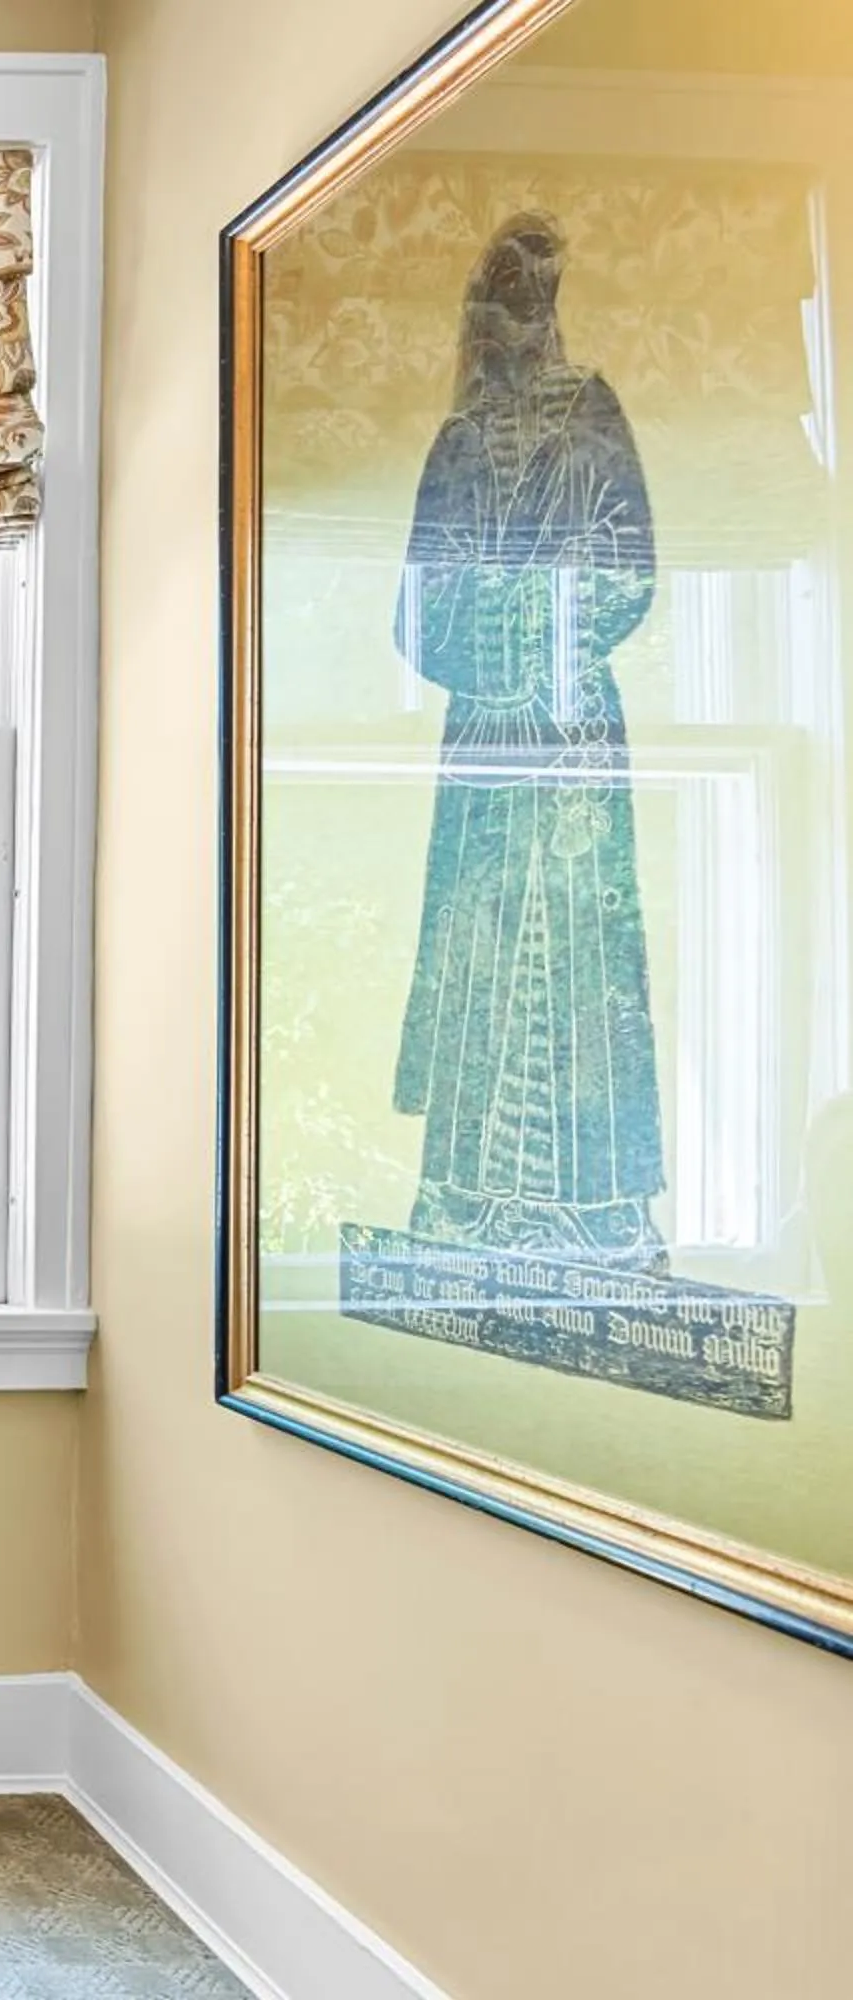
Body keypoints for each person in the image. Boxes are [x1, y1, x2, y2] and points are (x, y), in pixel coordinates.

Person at [392, 212, 666, 1270]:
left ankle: (601, 1204)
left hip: (572, 734)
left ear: (539, 319)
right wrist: (488, 642)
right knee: (477, 948)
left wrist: (546, 638)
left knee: (581, 954)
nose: (498, 341)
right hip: (486, 735)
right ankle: (464, 1194)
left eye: (512, 319)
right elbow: (416, 608)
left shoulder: (592, 413)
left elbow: (627, 566)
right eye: (485, 323)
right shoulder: (457, 443)